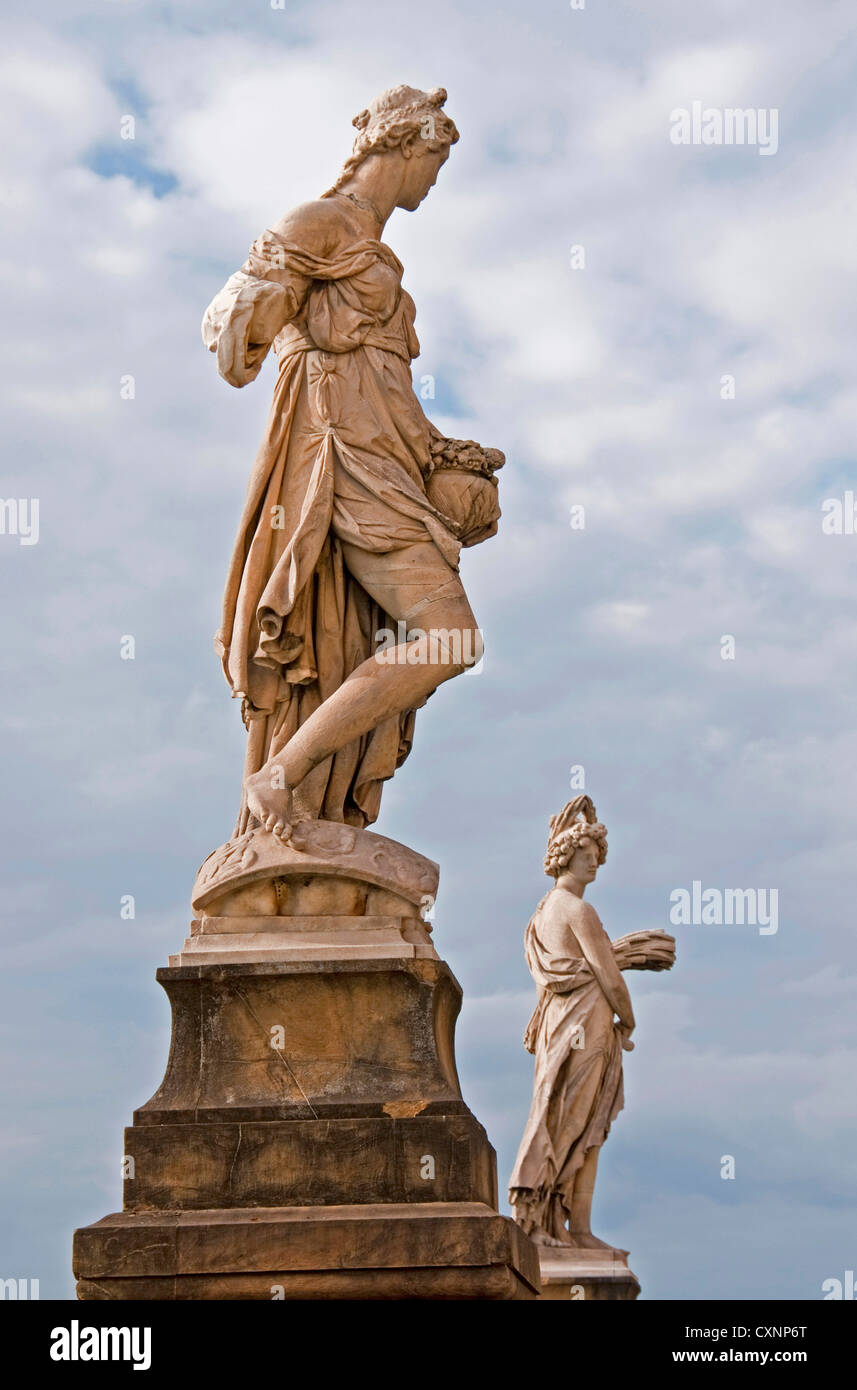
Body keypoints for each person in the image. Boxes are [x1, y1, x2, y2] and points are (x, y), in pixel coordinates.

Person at [202, 84, 501, 841]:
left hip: (386, 463)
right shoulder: (315, 224)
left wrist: (444, 451)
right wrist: (255, 302)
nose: (434, 179)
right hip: (334, 466)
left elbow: (389, 389)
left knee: (384, 642)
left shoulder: (379, 252)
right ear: (401, 147)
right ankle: (280, 779)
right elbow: (234, 347)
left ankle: (304, 799)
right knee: (450, 636)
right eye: (433, 160)